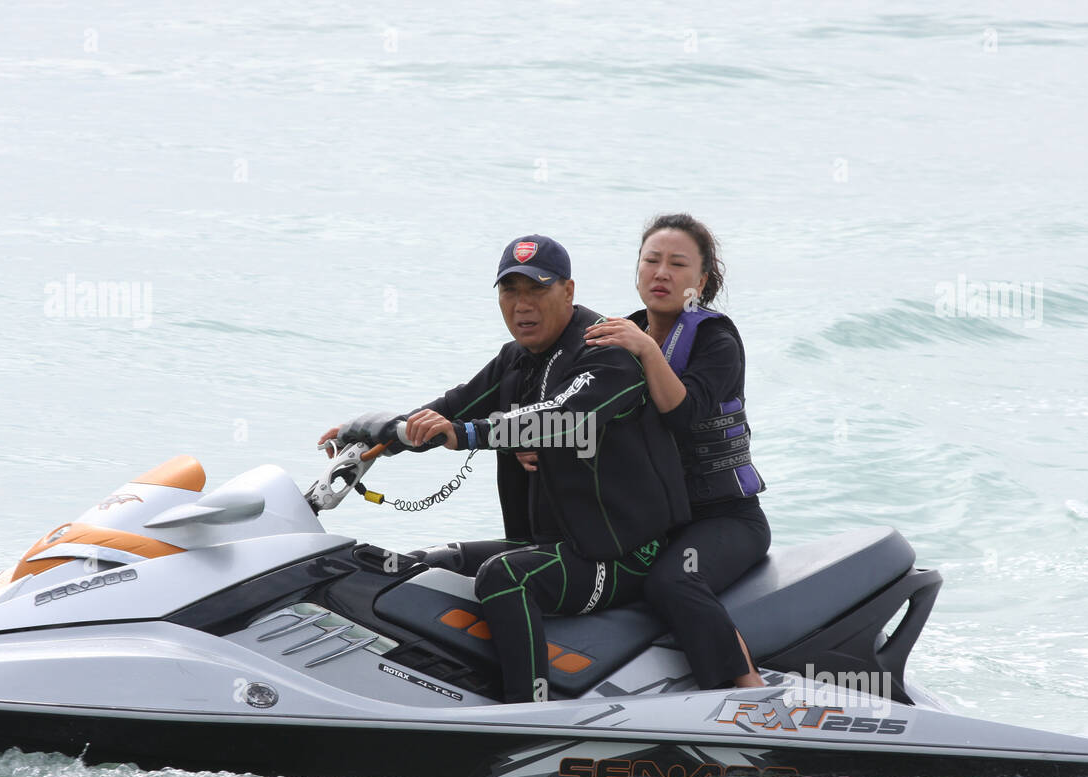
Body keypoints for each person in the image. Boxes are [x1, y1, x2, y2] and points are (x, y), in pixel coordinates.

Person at [319, 235, 690, 703]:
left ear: (569, 291)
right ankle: (434, 690)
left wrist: (467, 433)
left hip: (622, 555)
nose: (522, 305)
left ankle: (528, 711)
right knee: (421, 566)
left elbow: (556, 417)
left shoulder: (606, 349)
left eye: (537, 289)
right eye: (509, 291)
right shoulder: (515, 359)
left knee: (504, 576)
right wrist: (369, 436)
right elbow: (447, 411)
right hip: (555, 545)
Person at [581, 214, 770, 690]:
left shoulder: (717, 341)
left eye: (677, 264)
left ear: (701, 281)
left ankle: (747, 693)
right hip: (652, 519)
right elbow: (579, 410)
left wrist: (645, 351)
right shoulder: (619, 335)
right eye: (651, 260)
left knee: (673, 582)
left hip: (725, 518)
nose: (661, 273)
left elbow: (682, 414)